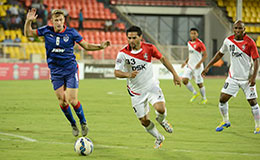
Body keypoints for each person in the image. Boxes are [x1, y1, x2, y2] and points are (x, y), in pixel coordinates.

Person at [24, 8, 110, 137]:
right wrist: (28, 21)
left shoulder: (71, 33)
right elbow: (28, 34)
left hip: (70, 69)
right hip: (55, 71)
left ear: (64, 21)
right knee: (63, 101)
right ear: (52, 21)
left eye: (60, 20)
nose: (58, 22)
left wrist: (100, 46)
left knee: (72, 99)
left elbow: (86, 45)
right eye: (56, 20)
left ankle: (83, 122)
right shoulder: (46, 30)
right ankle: (73, 124)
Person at [114, 26, 181, 148]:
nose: (131, 40)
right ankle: (159, 137)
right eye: (129, 38)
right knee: (144, 121)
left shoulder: (149, 48)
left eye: (134, 38)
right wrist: (128, 74)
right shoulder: (123, 54)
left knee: (160, 109)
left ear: (140, 37)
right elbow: (116, 72)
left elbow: (163, 59)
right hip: (136, 92)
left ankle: (162, 121)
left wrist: (175, 74)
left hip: (151, 86)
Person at [202, 20, 260, 134]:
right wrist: (208, 66)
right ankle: (225, 121)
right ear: (233, 29)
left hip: (247, 79)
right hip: (233, 78)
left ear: (244, 30)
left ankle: (258, 126)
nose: (238, 30)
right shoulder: (228, 41)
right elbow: (220, 54)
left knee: (253, 102)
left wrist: (253, 77)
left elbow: (256, 60)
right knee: (222, 99)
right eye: (236, 28)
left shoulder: (250, 42)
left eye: (240, 28)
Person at [181, 28, 208, 104]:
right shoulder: (189, 43)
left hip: (198, 67)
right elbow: (190, 55)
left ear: (197, 34)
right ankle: (195, 93)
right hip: (190, 65)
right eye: (191, 33)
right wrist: (185, 62)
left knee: (199, 83)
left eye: (194, 33)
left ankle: (204, 98)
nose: (193, 35)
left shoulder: (200, 43)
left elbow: (205, 55)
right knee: (184, 80)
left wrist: (199, 63)